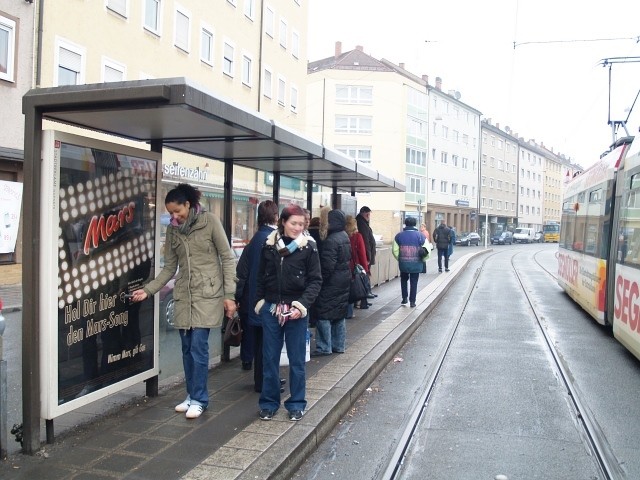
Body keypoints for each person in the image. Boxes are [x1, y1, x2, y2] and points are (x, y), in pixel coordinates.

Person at [131, 183, 237, 419]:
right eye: (170, 213)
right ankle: (191, 395)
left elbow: (227, 258)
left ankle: (200, 399)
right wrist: (148, 291)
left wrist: (229, 296)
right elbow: (169, 267)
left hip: (207, 295)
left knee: (199, 348)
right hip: (183, 296)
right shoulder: (173, 230)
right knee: (187, 349)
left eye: (177, 211)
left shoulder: (210, 221)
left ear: (188, 205)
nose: (173, 216)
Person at [254, 204, 322, 421]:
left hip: (296, 312)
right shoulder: (269, 245)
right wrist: (260, 303)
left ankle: (296, 404)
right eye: (294, 223)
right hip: (272, 309)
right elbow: (259, 277)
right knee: (270, 359)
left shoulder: (309, 248)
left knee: (297, 361)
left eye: (301, 224)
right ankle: (269, 403)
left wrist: (301, 306)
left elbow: (315, 281)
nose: (297, 228)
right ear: (283, 222)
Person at [235, 200, 279, 392]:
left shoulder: (254, 240)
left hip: (253, 300)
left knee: (260, 342)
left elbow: (241, 271)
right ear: (276, 216)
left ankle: (262, 380)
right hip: (268, 300)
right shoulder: (274, 239)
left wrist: (238, 297)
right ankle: (265, 382)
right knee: (268, 345)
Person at [311, 208, 352, 356]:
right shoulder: (344, 236)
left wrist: (318, 281)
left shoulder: (331, 240)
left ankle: (324, 347)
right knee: (339, 313)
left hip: (331, 283)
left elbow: (327, 267)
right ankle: (339, 345)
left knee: (324, 314)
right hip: (342, 281)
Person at [393, 217, 429, 308]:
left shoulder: (399, 236)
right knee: (414, 281)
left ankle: (404, 298)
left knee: (404, 280)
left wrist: (400, 258)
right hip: (416, 263)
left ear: (405, 224)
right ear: (415, 224)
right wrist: (423, 259)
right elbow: (427, 250)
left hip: (403, 263)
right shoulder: (421, 236)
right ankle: (412, 301)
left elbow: (394, 250)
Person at [345, 215, 370, 317]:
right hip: (353, 268)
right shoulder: (357, 236)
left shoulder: (341, 235)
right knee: (351, 289)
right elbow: (362, 254)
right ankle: (349, 312)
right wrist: (365, 269)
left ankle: (344, 311)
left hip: (343, 267)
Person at [355, 206, 377, 301]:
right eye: (367, 214)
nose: (368, 216)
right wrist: (368, 256)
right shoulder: (361, 223)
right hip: (365, 255)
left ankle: (366, 296)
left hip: (366, 254)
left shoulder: (363, 222)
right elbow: (365, 241)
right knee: (364, 274)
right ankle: (365, 296)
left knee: (365, 274)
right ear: (363, 213)